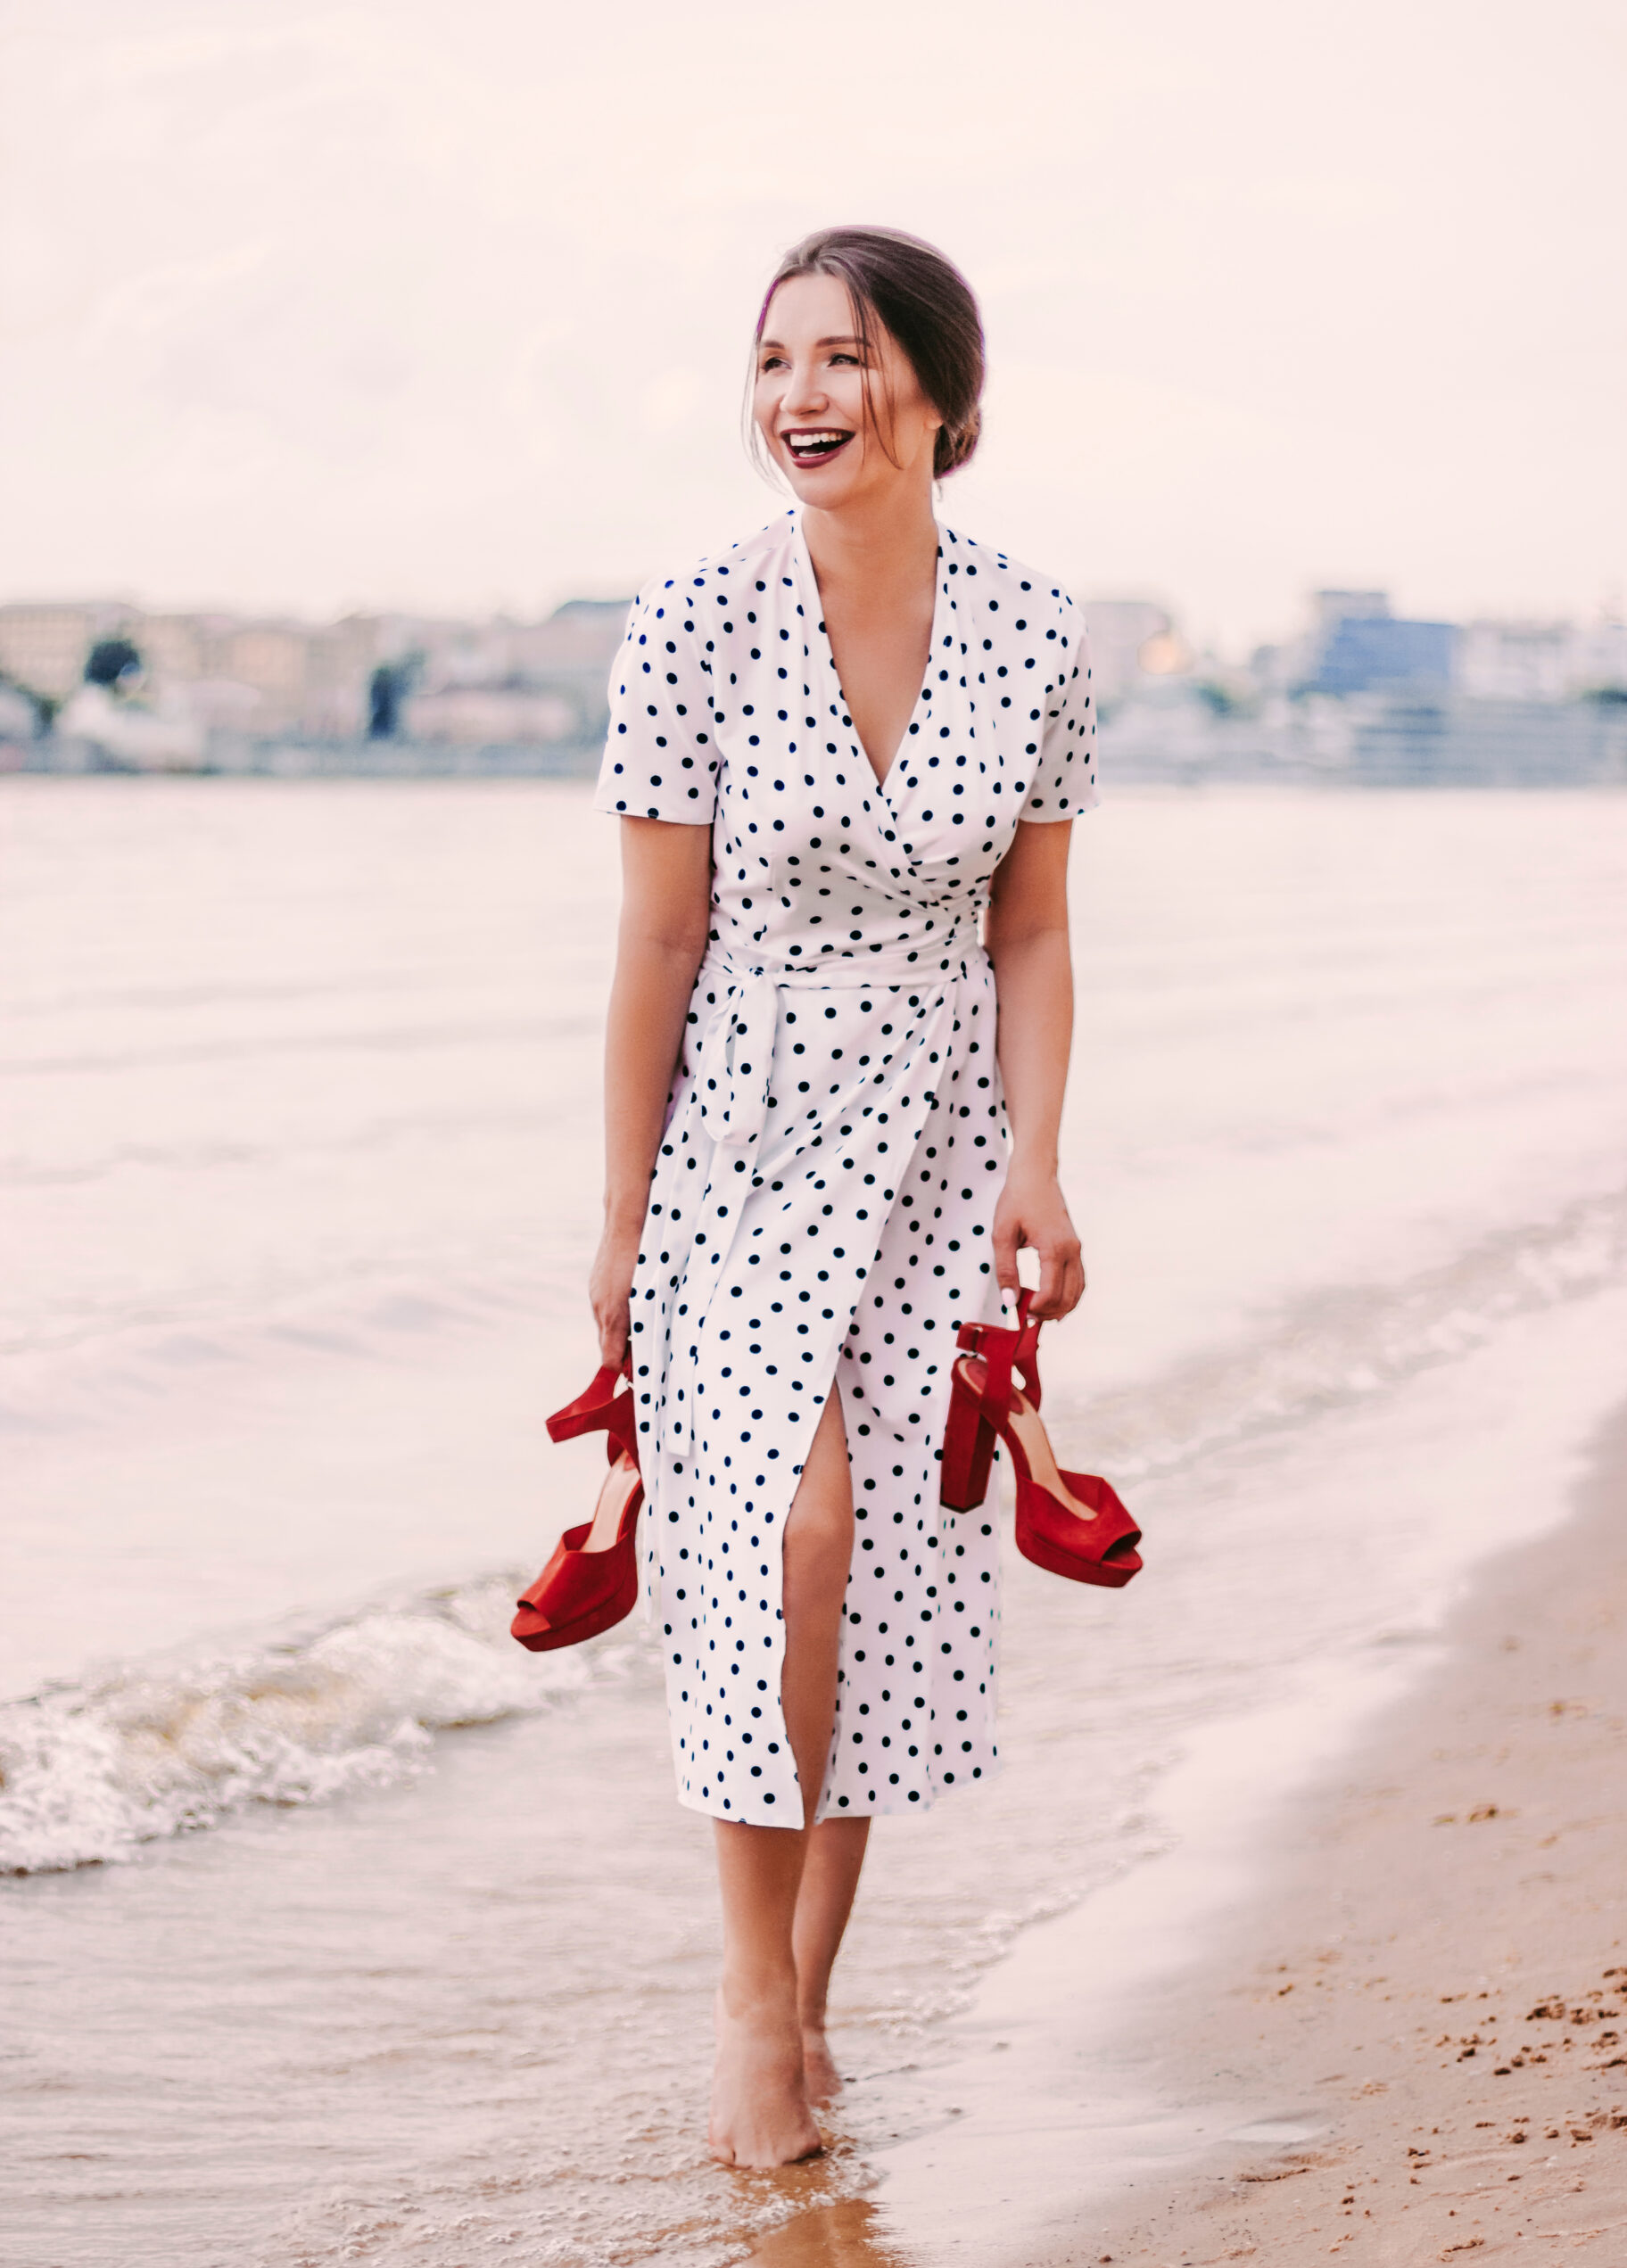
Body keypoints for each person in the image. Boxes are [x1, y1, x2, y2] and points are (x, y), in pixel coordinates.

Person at [589, 226, 1094, 2167]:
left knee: (876, 1570)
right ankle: (746, 1998)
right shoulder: (690, 621)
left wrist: (1038, 1160)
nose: (803, 392)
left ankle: (810, 2011)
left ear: (943, 399)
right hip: (739, 1140)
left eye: (848, 358)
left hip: (942, 1148)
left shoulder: (1038, 633)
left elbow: (1033, 930)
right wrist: (621, 1226)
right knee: (779, 1546)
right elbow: (652, 945)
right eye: (777, 357)